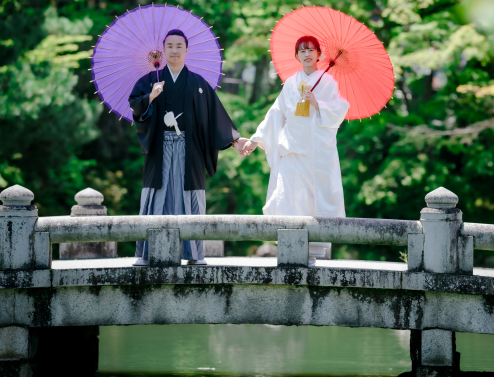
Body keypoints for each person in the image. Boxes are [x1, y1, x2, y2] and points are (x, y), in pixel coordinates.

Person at [129, 29, 248, 266]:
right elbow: (135, 106)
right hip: (159, 148)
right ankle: (145, 254)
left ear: (186, 50)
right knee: (156, 195)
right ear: (163, 50)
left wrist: (235, 140)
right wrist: (150, 97)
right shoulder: (150, 81)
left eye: (179, 46)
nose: (174, 50)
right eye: (170, 46)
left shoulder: (197, 83)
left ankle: (194, 253)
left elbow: (214, 115)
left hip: (189, 149)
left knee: (190, 196)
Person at [240, 35, 349, 265]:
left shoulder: (327, 82)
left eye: (311, 50)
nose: (307, 54)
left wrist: (317, 103)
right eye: (302, 51)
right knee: (288, 198)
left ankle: (314, 251)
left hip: (314, 153)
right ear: (297, 56)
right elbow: (276, 113)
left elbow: (339, 110)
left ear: (319, 54)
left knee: (313, 200)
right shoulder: (291, 83)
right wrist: (255, 139)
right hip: (290, 149)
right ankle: (291, 247)